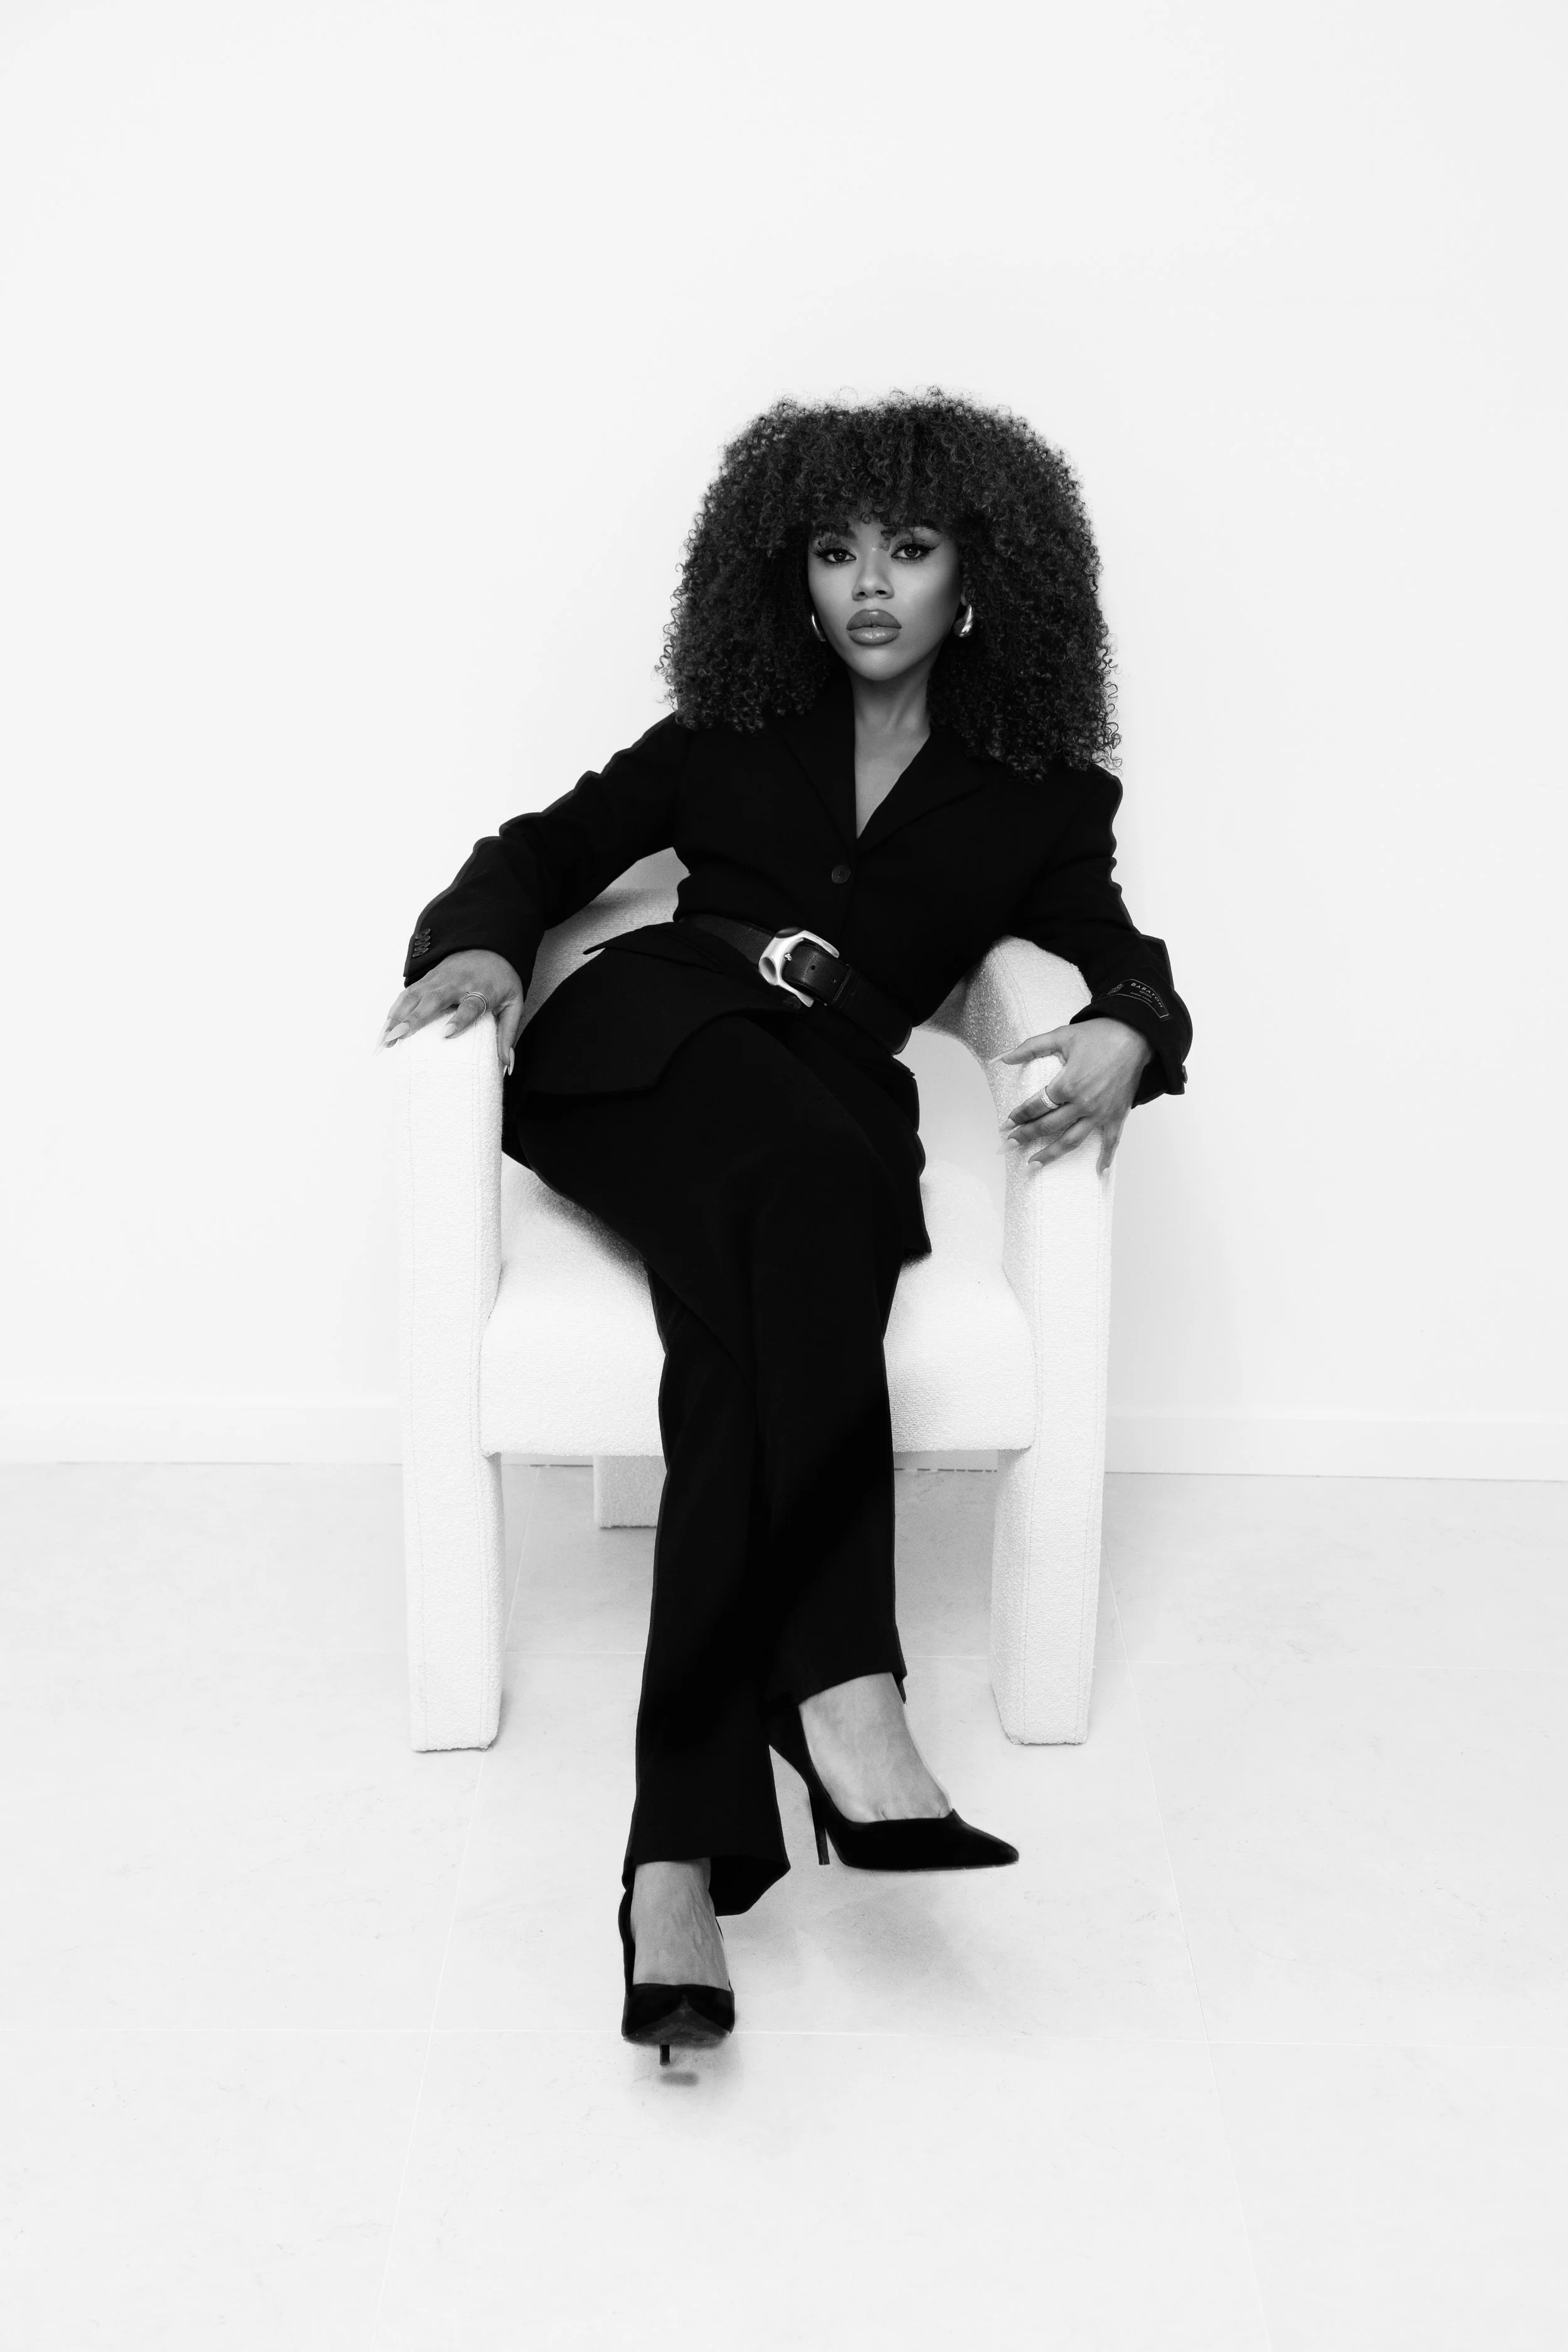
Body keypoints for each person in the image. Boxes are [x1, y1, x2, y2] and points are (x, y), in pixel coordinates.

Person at [379, 391, 1192, 2061]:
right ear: (789, 580)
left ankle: (672, 1859)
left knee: (738, 1349)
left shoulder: (1038, 797)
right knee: (815, 1185)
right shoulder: (723, 735)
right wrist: (474, 947)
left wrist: (1126, 1027)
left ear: (983, 579)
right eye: (833, 552)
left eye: (907, 548)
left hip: (817, 1108)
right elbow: (538, 852)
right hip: (645, 1047)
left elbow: (1117, 955)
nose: (868, 586)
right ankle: (842, 1690)